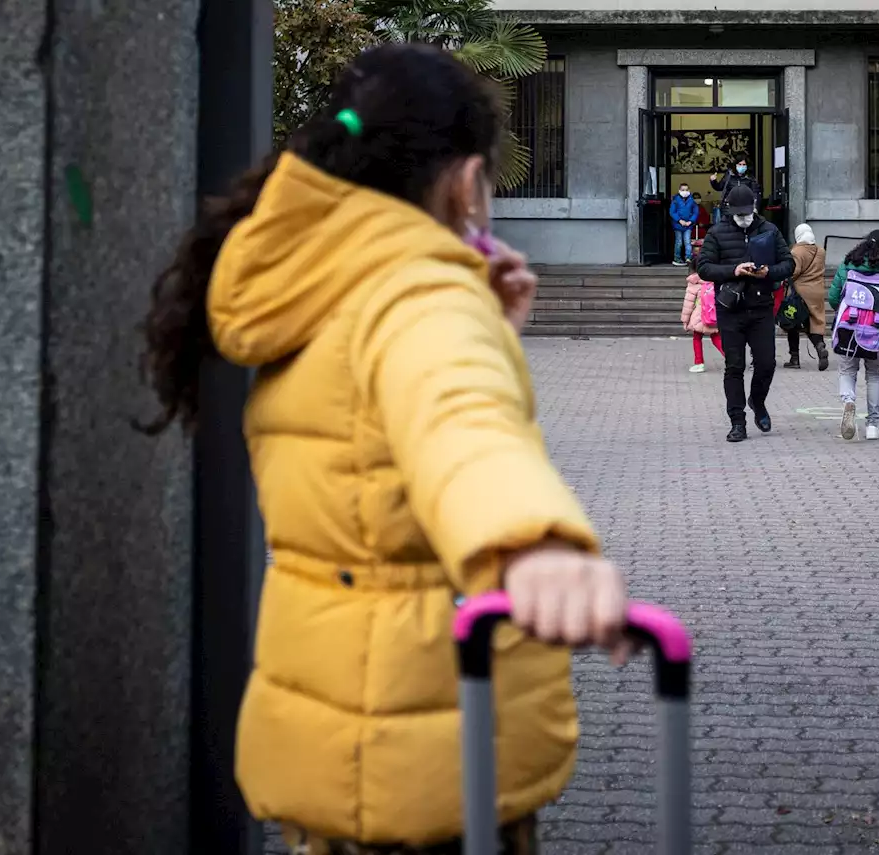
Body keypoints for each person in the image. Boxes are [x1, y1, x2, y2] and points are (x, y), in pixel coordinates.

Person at [136, 44, 628, 855]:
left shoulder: (332, 281)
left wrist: (488, 325)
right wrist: (531, 542)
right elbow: (459, 419)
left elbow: (390, 427)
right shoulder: (420, 295)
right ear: (466, 182)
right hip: (431, 755)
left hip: (339, 738)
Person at [697, 184, 794, 442]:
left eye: (747, 213)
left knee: (766, 363)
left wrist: (768, 272)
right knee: (734, 366)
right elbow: (704, 267)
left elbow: (789, 264)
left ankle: (758, 401)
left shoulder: (769, 230)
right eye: (738, 215)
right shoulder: (717, 233)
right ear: (730, 211)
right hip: (731, 309)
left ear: (754, 208)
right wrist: (734, 270)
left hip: (761, 307)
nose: (743, 219)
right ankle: (737, 422)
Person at [827, 232, 879, 442]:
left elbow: (833, 298)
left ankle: (849, 401)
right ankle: (872, 425)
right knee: (874, 375)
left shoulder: (847, 265)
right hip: (874, 332)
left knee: (847, 370)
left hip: (847, 329)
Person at [784, 224, 831, 371]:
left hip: (800, 292)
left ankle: (794, 358)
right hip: (817, 291)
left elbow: (793, 271)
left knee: (792, 323)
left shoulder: (797, 251)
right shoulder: (820, 250)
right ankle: (820, 346)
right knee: (814, 322)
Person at [681, 257, 723, 373]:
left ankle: (699, 363)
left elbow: (688, 304)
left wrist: (685, 320)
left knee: (697, 338)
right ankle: (731, 359)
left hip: (698, 316)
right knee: (716, 337)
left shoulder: (693, 282)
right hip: (712, 315)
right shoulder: (715, 279)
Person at [669, 182, 698, 265]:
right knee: (679, 242)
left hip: (688, 226)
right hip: (678, 225)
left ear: (689, 190)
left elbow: (695, 212)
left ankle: (688, 258)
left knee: (687, 241)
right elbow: (672, 212)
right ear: (679, 190)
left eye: (686, 190)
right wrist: (680, 220)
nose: (685, 191)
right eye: (683, 190)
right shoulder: (675, 200)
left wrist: (690, 221)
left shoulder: (692, 201)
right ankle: (677, 258)